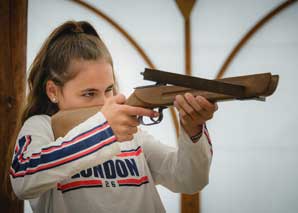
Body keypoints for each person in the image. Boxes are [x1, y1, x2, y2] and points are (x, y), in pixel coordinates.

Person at [9, 21, 217, 213]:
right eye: (89, 93)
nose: (104, 102)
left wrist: (193, 129)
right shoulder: (42, 126)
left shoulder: (131, 133)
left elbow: (190, 180)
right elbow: (22, 179)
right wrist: (104, 132)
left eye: (109, 90)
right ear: (53, 91)